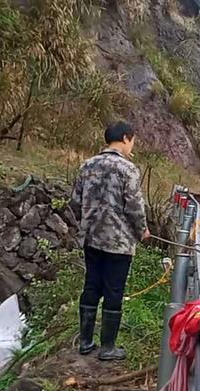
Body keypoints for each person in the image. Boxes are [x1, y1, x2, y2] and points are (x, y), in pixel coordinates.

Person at [70, 121, 149, 361]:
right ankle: (107, 347)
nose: (132, 146)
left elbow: (74, 202)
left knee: (91, 286)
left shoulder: (88, 165)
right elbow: (134, 207)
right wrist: (142, 230)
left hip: (91, 238)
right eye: (132, 140)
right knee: (114, 291)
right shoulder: (128, 169)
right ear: (126, 138)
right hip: (119, 243)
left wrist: (87, 222)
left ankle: (85, 341)